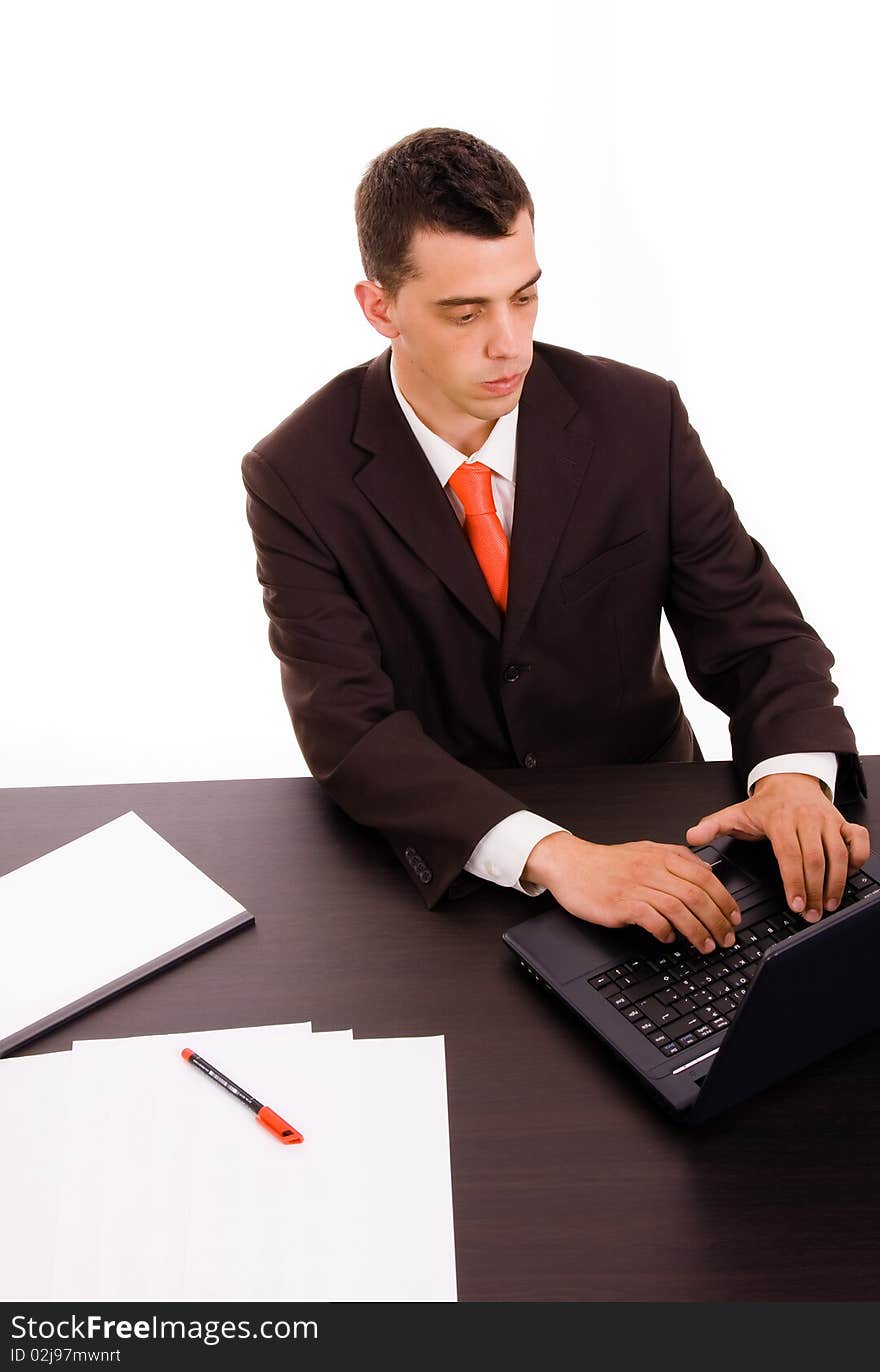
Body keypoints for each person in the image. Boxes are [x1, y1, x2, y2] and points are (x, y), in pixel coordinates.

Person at [241, 126, 869, 955]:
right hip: (453, 855)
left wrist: (791, 778)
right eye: (465, 312)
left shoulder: (640, 420)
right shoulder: (296, 474)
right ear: (379, 307)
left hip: (659, 822)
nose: (510, 344)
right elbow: (352, 733)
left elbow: (758, 634)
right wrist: (552, 856)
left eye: (525, 297)